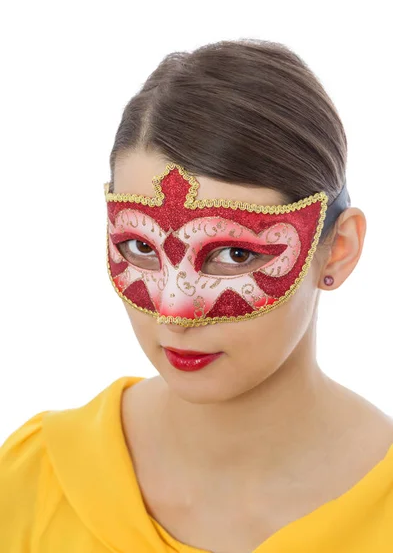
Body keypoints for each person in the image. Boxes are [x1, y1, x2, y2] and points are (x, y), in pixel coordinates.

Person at [1, 39, 393, 553]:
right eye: (140, 245)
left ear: (338, 250)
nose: (174, 308)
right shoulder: (32, 482)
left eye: (233, 254)